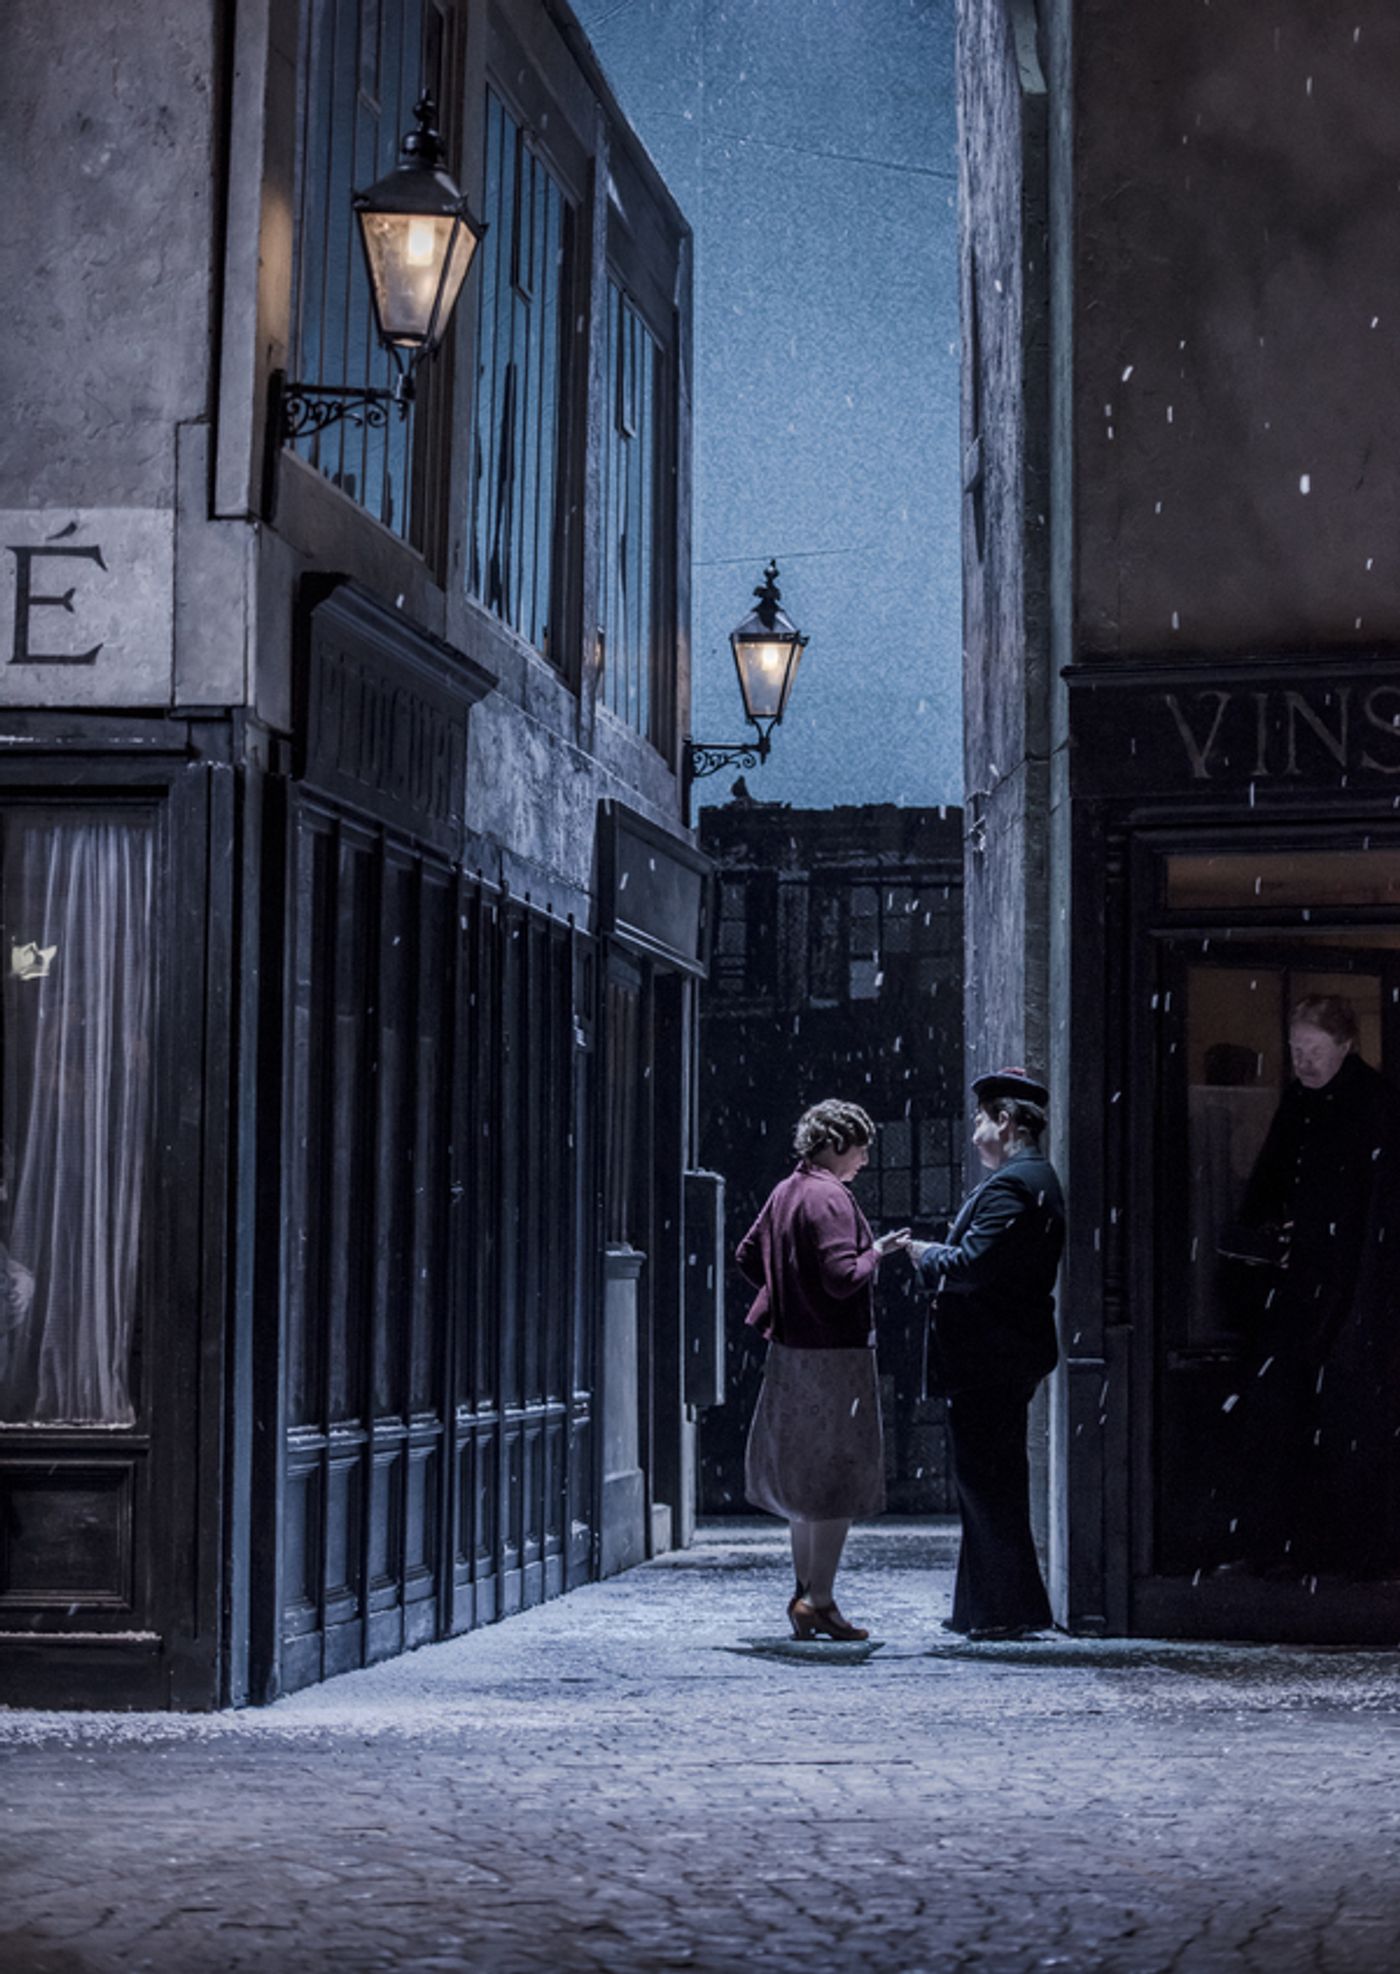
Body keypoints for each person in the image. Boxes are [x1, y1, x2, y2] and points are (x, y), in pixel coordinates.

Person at [1222, 995, 1400, 1577]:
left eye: (1315, 1051)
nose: (1303, 1062)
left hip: (1352, 1294)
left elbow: (1375, 1214)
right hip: (1302, 1288)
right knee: (1285, 1416)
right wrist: (1270, 1227)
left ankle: (1347, 1554)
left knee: (1344, 1423)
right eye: (1296, 1050)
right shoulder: (1302, 1100)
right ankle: (1285, 1547)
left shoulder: (1372, 1105)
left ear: (1345, 1046)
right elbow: (1274, 1178)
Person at [901, 1069, 1064, 1640]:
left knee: (986, 1484)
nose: (974, 1133)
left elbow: (972, 1266)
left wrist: (924, 1253)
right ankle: (983, 1607)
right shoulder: (1033, 1179)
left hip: (988, 1358)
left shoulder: (1012, 1185)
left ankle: (1002, 1611)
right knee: (989, 1483)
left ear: (1005, 1120)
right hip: (1003, 1355)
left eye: (981, 1119)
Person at [737, 1099, 907, 1641]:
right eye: (858, 1148)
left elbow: (747, 1255)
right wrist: (877, 1253)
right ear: (835, 1143)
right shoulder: (830, 1196)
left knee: (803, 1483)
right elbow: (842, 1275)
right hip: (836, 1358)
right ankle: (821, 1598)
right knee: (835, 1480)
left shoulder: (786, 1190)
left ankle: (805, 1593)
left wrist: (788, 1297)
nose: (861, 1160)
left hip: (790, 1353)